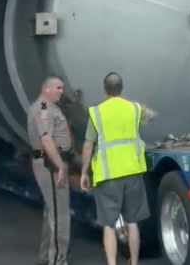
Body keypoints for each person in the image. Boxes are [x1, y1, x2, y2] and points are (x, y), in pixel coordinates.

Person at [79, 72, 158, 265]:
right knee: (132, 222)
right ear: (122, 90)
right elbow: (153, 116)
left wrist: (84, 171)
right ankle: (135, 261)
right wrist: (131, 105)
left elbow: (88, 144)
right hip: (132, 172)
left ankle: (112, 263)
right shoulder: (133, 109)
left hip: (107, 175)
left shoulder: (97, 113)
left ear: (104, 91)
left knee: (108, 223)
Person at [28, 75, 73, 265]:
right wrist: (60, 165)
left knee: (52, 212)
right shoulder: (44, 109)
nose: (61, 91)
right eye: (58, 88)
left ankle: (47, 256)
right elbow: (46, 140)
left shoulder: (50, 108)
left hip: (51, 162)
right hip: (50, 164)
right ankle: (58, 260)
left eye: (62, 88)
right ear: (46, 88)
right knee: (60, 215)